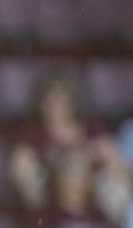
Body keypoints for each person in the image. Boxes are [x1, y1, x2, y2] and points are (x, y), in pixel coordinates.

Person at [9, 75, 128, 219]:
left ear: (73, 103)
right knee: (30, 177)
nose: (57, 109)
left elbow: (117, 162)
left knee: (116, 184)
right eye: (51, 103)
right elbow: (18, 169)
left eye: (62, 102)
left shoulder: (93, 129)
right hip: (55, 196)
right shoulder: (34, 135)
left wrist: (88, 161)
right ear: (40, 105)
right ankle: (44, 227)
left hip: (91, 195)